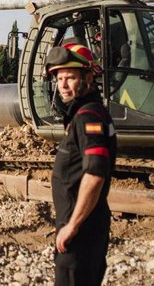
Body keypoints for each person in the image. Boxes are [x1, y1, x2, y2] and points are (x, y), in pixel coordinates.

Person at [46, 42, 117, 286]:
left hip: (80, 233)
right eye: (59, 78)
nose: (63, 85)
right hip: (88, 227)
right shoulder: (90, 113)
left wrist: (72, 226)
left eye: (71, 78)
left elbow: (95, 173)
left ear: (88, 78)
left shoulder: (87, 116)